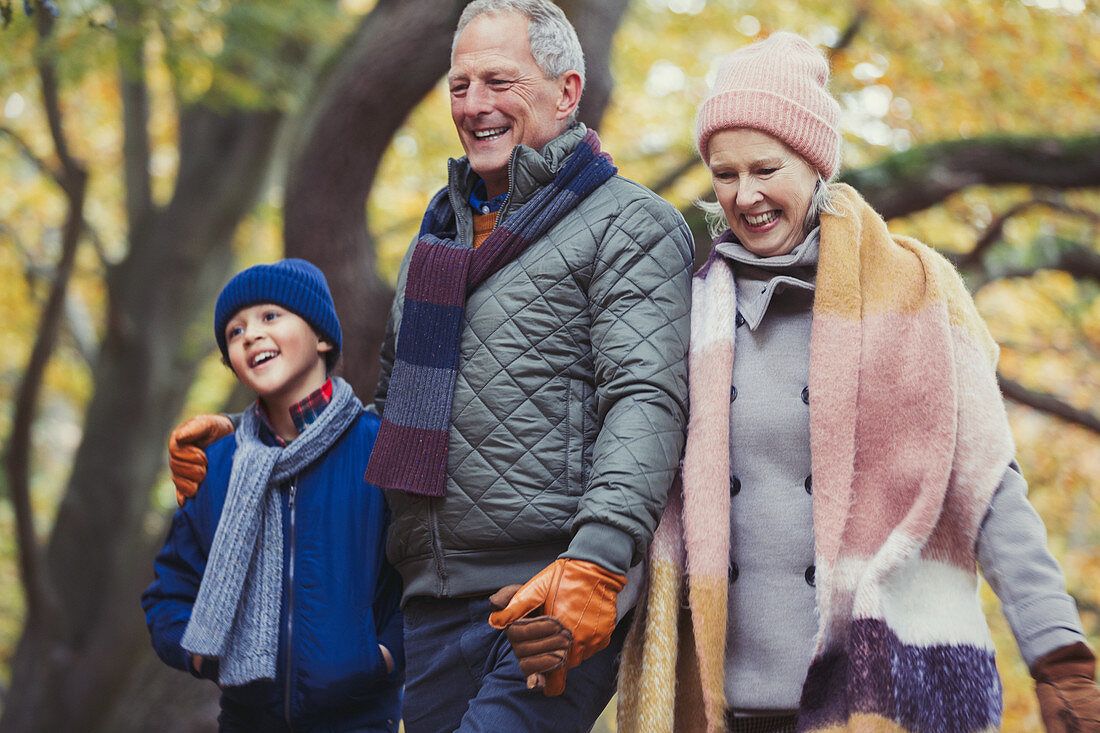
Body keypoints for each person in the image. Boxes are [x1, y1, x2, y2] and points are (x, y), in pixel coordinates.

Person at [166, 1, 694, 730]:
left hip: (547, 594)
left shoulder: (630, 224)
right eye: (459, 85)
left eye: (498, 81)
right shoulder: (436, 242)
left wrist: (599, 563)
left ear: (567, 91)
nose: (473, 105)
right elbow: (392, 430)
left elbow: (646, 397)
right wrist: (253, 446)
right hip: (427, 607)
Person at [614, 32, 1100, 733]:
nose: (743, 195)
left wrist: (1059, 653)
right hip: (725, 703)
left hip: (883, 694)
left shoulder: (921, 291)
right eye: (724, 174)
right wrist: (585, 611)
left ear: (814, 162)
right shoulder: (688, 313)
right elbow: (645, 496)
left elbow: (991, 485)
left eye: (765, 168)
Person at [142, 259, 404, 732]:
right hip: (245, 721)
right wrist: (200, 655)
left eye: (270, 317)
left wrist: (380, 654)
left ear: (322, 338)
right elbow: (170, 590)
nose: (250, 335)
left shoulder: (378, 447)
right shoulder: (214, 465)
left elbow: (421, 574)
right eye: (234, 331)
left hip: (361, 720)